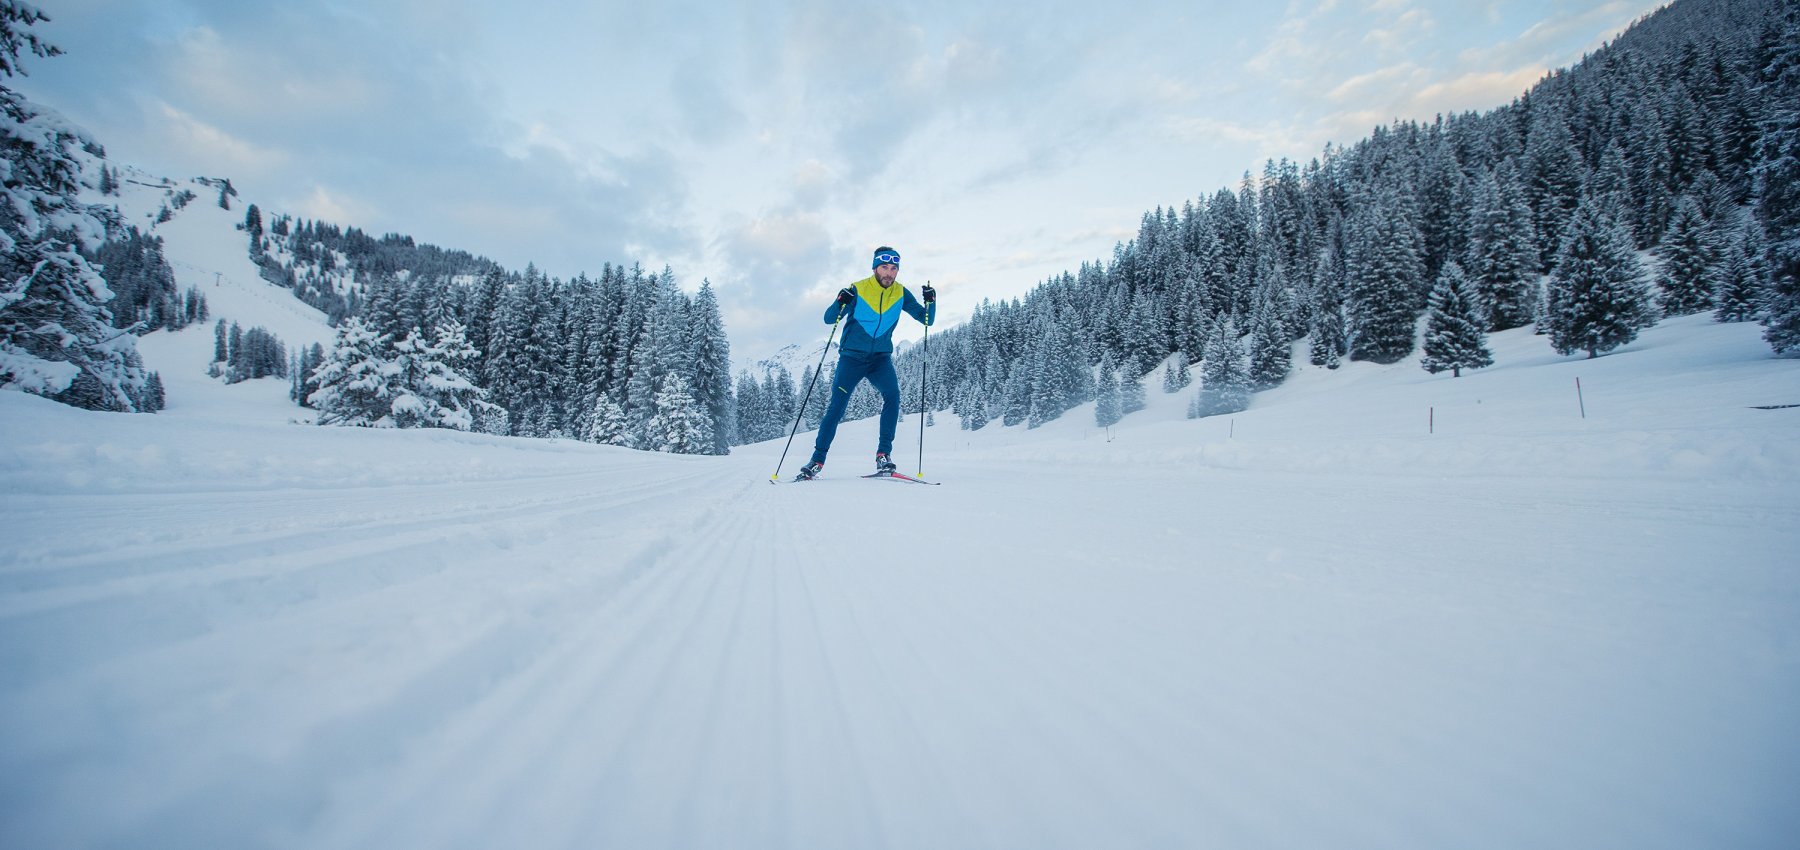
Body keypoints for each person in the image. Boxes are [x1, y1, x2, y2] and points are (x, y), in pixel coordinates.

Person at [795, 246, 935, 480]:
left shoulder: (900, 293)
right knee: (836, 408)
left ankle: (883, 455)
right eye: (884, 267)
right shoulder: (858, 289)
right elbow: (829, 318)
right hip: (851, 358)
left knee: (893, 396)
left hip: (880, 359)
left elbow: (927, 320)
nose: (889, 273)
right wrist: (841, 299)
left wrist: (931, 301)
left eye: (893, 269)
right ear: (875, 268)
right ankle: (817, 460)